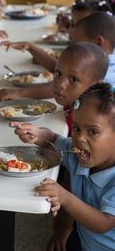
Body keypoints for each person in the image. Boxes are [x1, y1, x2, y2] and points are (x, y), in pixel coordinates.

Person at [11, 82, 115, 250]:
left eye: (93, 131)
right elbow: (52, 139)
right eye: (76, 128)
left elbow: (104, 223)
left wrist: (64, 197)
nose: (80, 138)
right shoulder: (77, 153)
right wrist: (36, 134)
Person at [0, 12, 115, 101]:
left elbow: (61, 88)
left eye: (76, 43)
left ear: (98, 42)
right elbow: (61, 68)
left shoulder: (106, 72)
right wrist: (31, 48)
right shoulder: (106, 58)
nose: (71, 47)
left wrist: (20, 93)